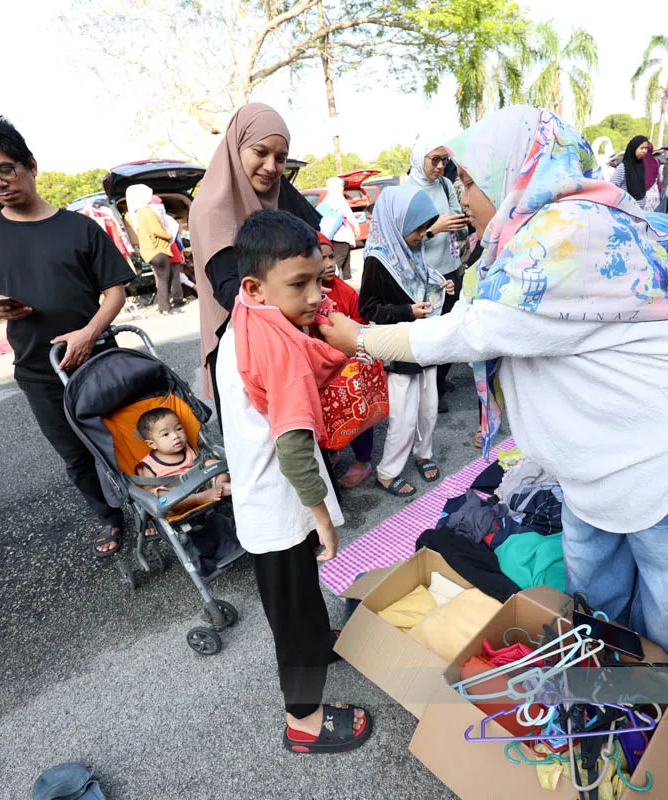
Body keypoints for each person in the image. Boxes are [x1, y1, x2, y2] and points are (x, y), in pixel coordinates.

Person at [320, 107, 668, 719]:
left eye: (470, 182)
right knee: (595, 592)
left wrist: (361, 340)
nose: (464, 197)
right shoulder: (539, 231)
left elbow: (472, 334)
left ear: (513, 172)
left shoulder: (566, 233)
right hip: (604, 452)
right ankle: (620, 708)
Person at [215, 209, 372, 754]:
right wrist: (323, 519)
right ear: (257, 285)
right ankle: (303, 721)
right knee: (297, 612)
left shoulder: (247, 313)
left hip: (268, 498)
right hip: (282, 503)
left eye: (319, 281)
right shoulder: (283, 351)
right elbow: (294, 444)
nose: (313, 298)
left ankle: (312, 645)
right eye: (299, 285)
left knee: (296, 601)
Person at [0, 112, 134, 557]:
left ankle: (149, 509)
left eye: (3, 168)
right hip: (36, 368)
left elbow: (115, 291)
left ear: (30, 164)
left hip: (97, 359)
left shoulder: (80, 228)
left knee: (125, 440)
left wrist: (89, 333)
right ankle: (111, 520)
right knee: (74, 455)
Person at [189, 102, 292, 409]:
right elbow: (231, 292)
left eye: (280, 158)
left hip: (272, 340)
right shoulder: (214, 208)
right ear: (236, 149)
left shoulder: (264, 202)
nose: (271, 167)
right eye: (260, 152)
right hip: (241, 351)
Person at [358, 184, 448, 499]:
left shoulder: (410, 249)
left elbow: (422, 280)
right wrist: (406, 311)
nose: (423, 234)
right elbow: (367, 309)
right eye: (419, 228)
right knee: (403, 417)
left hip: (424, 343)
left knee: (429, 409)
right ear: (398, 222)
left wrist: (439, 286)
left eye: (426, 227)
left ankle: (424, 453)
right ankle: (387, 473)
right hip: (400, 349)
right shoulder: (378, 259)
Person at [407, 134, 469, 407]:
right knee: (430, 335)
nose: (441, 166)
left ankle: (439, 381)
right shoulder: (407, 193)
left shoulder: (444, 185)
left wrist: (461, 223)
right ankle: (431, 393)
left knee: (452, 329)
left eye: (444, 159)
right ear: (420, 159)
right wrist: (434, 230)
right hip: (425, 277)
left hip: (451, 270)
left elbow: (456, 213)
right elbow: (404, 241)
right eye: (435, 159)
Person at [316, 232, 374, 489]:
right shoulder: (306, 294)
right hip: (319, 370)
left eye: (331, 256)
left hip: (346, 368)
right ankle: (333, 449)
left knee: (356, 414)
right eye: (321, 258)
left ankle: (363, 460)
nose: (329, 263)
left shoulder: (346, 292)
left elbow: (360, 328)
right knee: (326, 417)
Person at [135, 407, 231, 512]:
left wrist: (209, 464)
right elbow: (147, 491)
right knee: (159, 495)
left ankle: (220, 486)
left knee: (213, 463)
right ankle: (199, 499)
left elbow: (201, 465)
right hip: (179, 499)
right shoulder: (149, 465)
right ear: (152, 444)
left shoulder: (188, 449)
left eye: (179, 429)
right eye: (165, 434)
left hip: (203, 485)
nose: (176, 436)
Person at [127, 183, 183, 315]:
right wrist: (169, 236)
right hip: (157, 249)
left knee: (163, 278)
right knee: (165, 278)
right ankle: (164, 308)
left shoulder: (138, 213)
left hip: (150, 251)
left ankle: (163, 306)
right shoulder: (146, 211)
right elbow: (157, 229)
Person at [318, 177, 361, 280]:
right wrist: (356, 226)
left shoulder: (326, 199)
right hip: (341, 236)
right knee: (338, 262)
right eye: (341, 185)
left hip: (331, 235)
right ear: (336, 186)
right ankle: (338, 282)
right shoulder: (338, 198)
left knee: (344, 261)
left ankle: (346, 281)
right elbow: (348, 214)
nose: (342, 188)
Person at [610, 135, 662, 211]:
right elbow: (612, 186)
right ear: (634, 148)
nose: (644, 151)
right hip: (624, 210)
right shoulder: (624, 167)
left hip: (638, 211)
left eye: (646, 148)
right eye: (642, 148)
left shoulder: (641, 166)